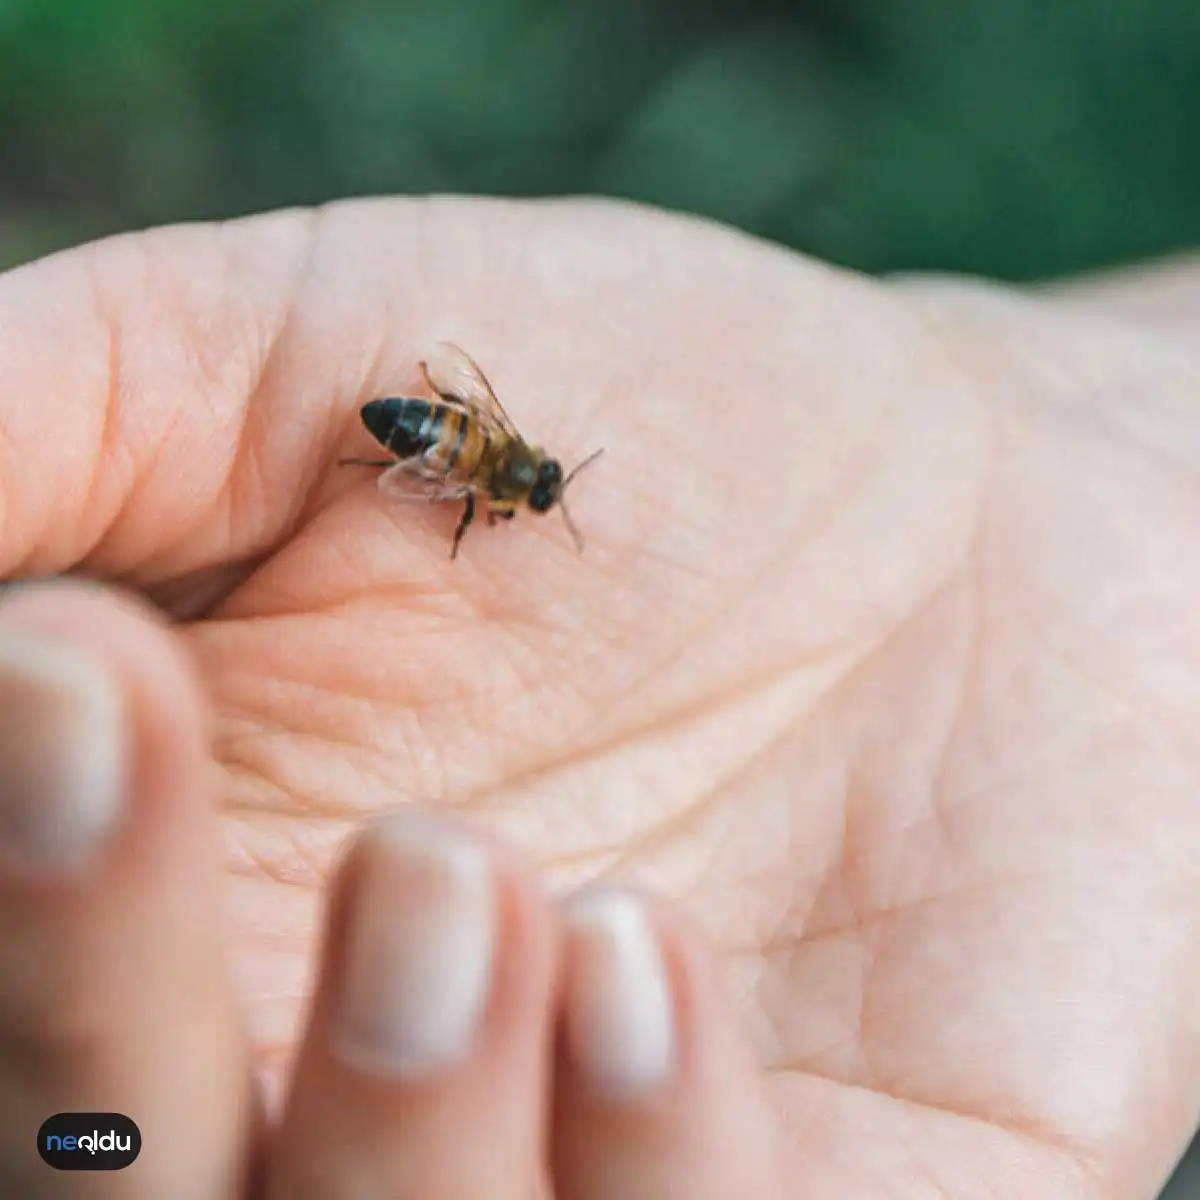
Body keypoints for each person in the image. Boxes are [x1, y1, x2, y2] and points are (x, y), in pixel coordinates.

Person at [0, 196, 1196, 1198]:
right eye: (526, 491)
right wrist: (1037, 414)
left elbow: (452, 422)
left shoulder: (486, 447)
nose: (518, 494)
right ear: (517, 470)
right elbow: (449, 452)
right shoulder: (490, 475)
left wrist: (1050, 426)